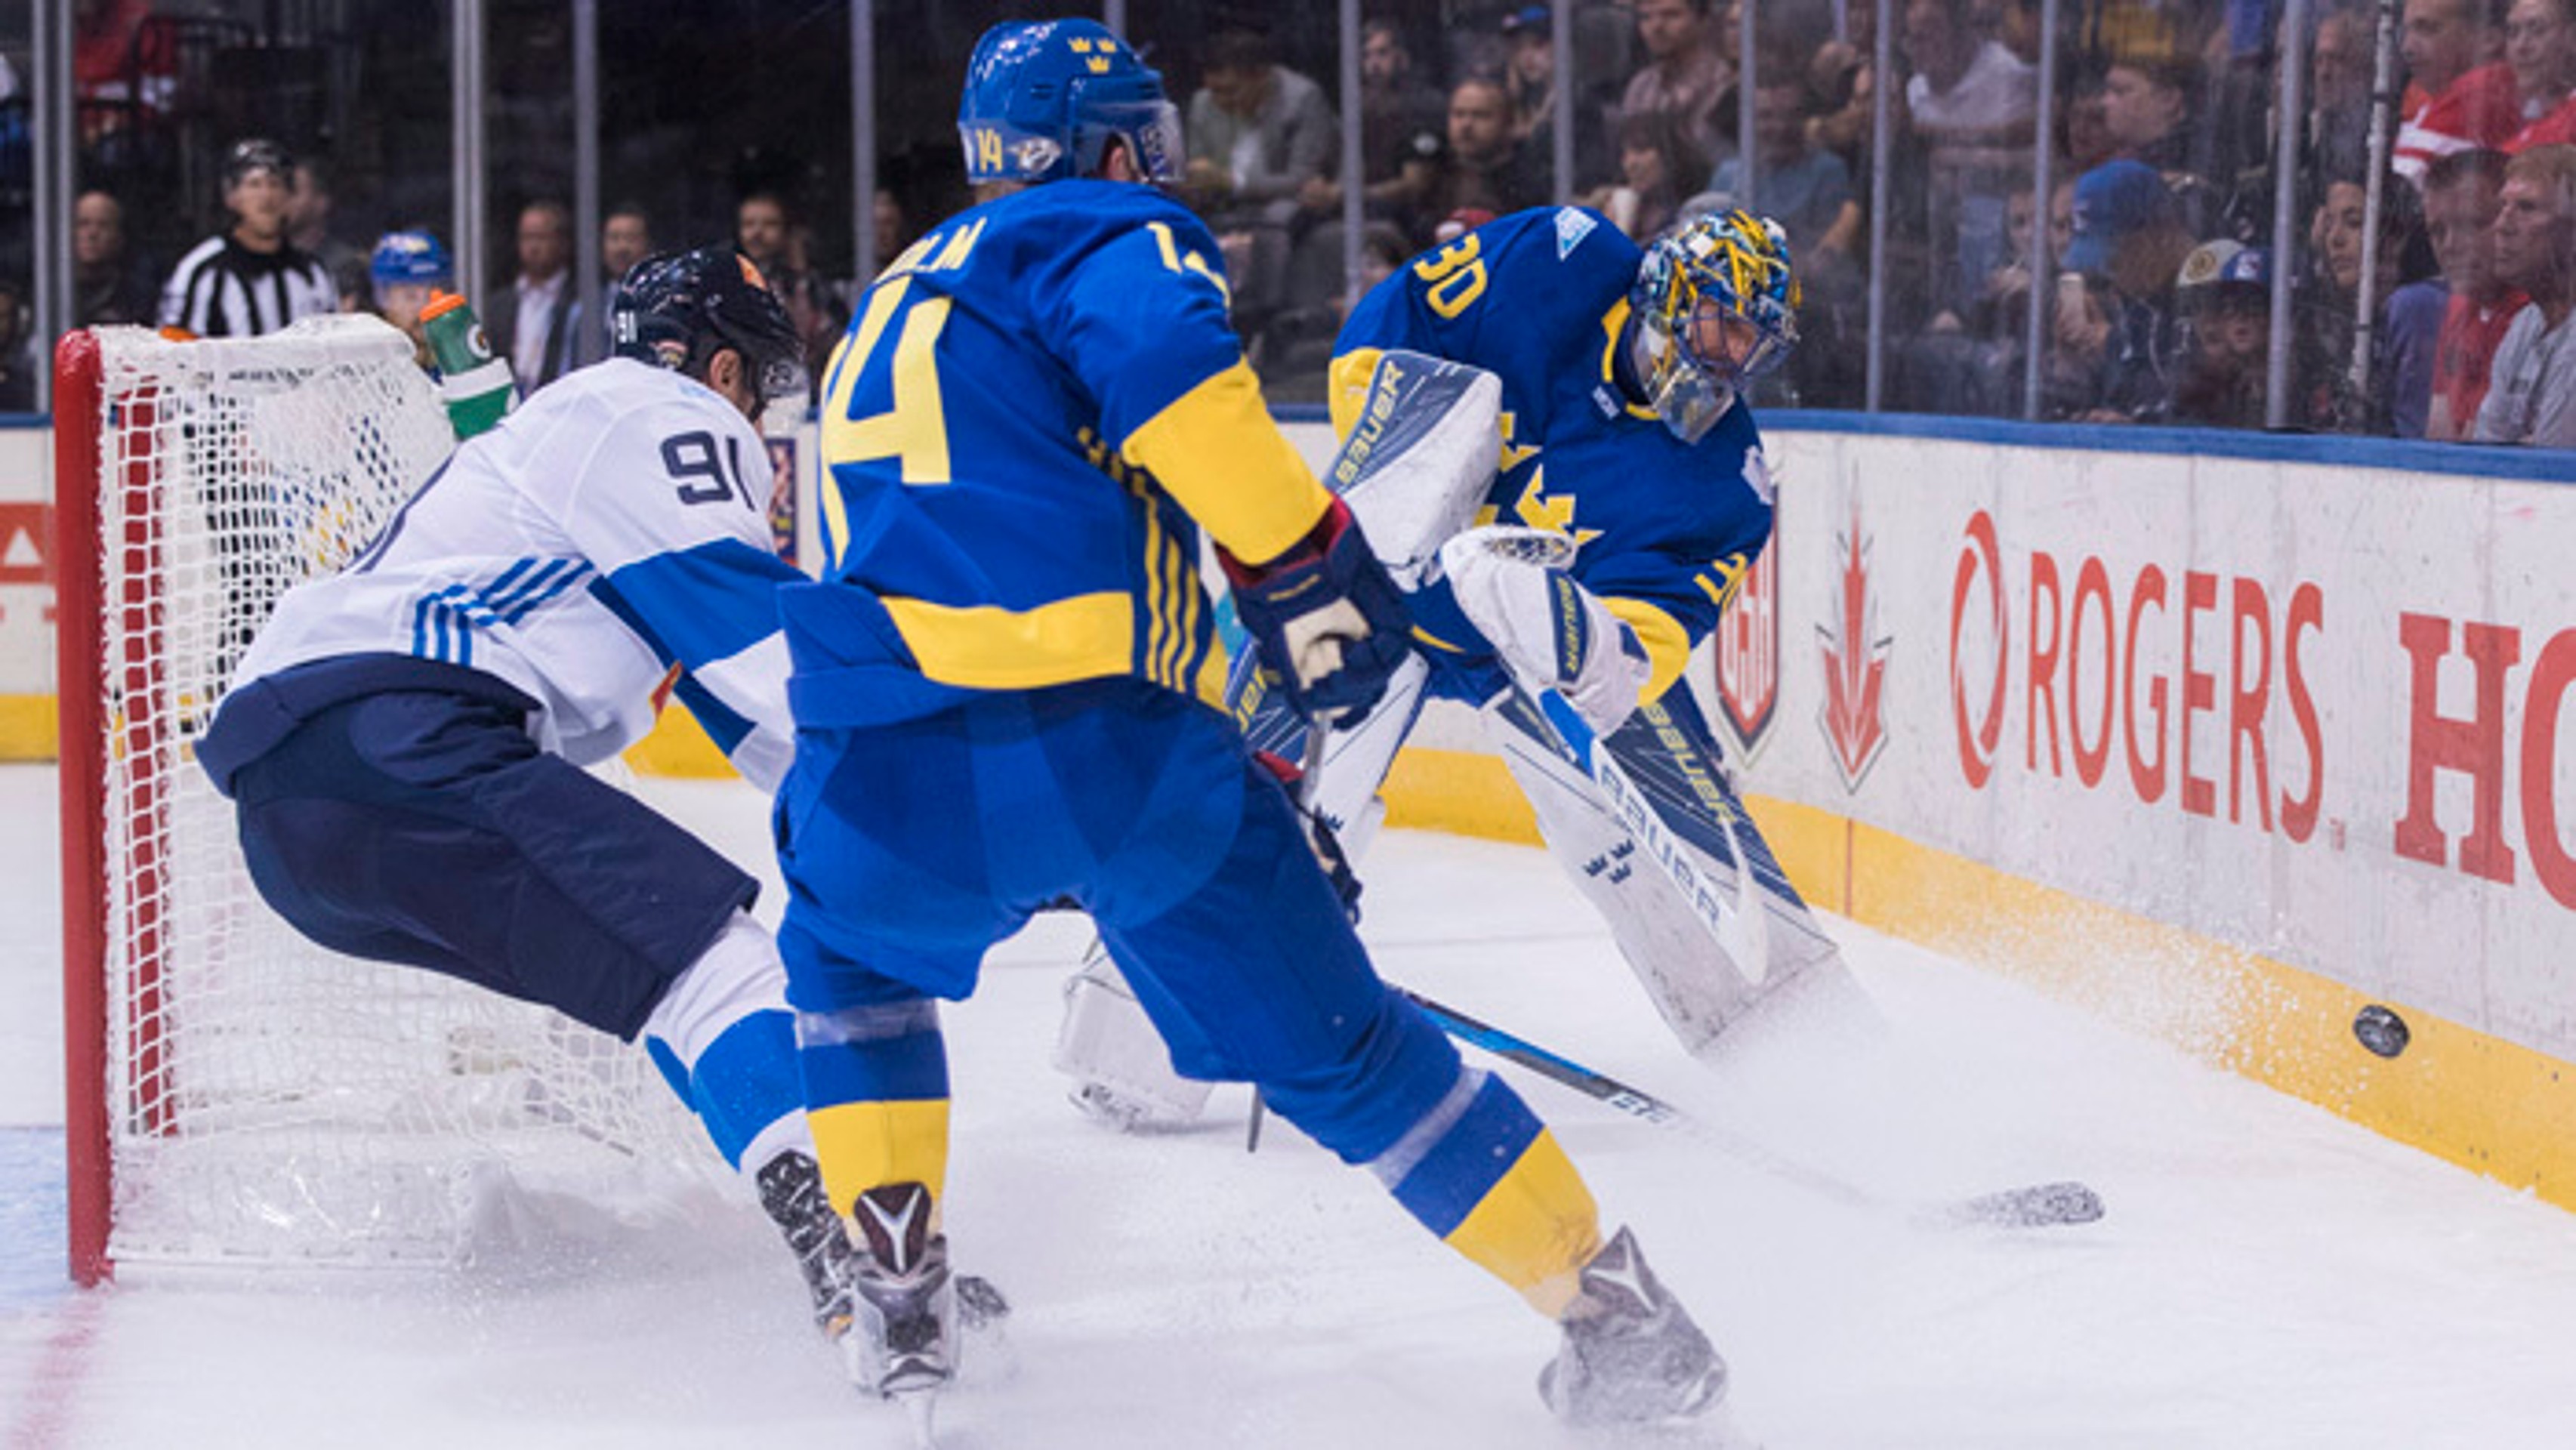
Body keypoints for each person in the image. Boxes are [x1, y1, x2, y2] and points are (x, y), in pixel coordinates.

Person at [786, 17, 1724, 1430]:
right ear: (1106, 151)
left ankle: (900, 1300)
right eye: (1143, 140)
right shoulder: (1104, 232)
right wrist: (1314, 589)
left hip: (877, 765)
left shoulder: (891, 292)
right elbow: (1183, 400)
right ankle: (1620, 1323)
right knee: (1355, 1058)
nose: (1158, 167)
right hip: (1109, 755)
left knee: (849, 972)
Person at [187, 242, 905, 1350]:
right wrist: (915, 804)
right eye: (758, 380)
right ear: (719, 368)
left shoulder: (578, 441)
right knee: (711, 961)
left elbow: (728, 694)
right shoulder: (662, 412)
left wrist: (850, 804)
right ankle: (865, 1257)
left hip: (301, 823)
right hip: (401, 741)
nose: (759, 412)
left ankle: (835, 1246)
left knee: (665, 976)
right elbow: (750, 636)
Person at [158, 138, 339, 338]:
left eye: (275, 184)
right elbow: (174, 346)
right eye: (254, 185)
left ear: (289, 197)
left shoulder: (312, 273)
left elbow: (331, 346)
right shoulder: (202, 271)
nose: (266, 197)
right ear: (232, 197)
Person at [2473, 143, 2576, 443]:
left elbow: (2550, 463)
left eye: (2527, 208)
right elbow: (2487, 450)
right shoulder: (2527, 323)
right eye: (2503, 207)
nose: (2502, 226)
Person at [2423, 148, 2523, 438]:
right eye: (2437, 231)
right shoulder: (2458, 307)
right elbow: (2439, 430)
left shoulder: (2537, 316)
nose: (2450, 245)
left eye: (2472, 224)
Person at [489, 199, 578, 390]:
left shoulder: (580, 300)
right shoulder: (499, 305)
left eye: (541, 237)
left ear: (563, 243)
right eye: (527, 237)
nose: (533, 247)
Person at [366, 228, 452, 367]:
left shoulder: (455, 359)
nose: (424, 307)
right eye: (410, 296)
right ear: (384, 299)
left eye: (433, 294)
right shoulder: (367, 364)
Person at [72, 188, 156, 328]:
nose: (92, 234)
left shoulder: (137, 297)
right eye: (83, 224)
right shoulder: (48, 292)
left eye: (103, 225)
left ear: (120, 236)